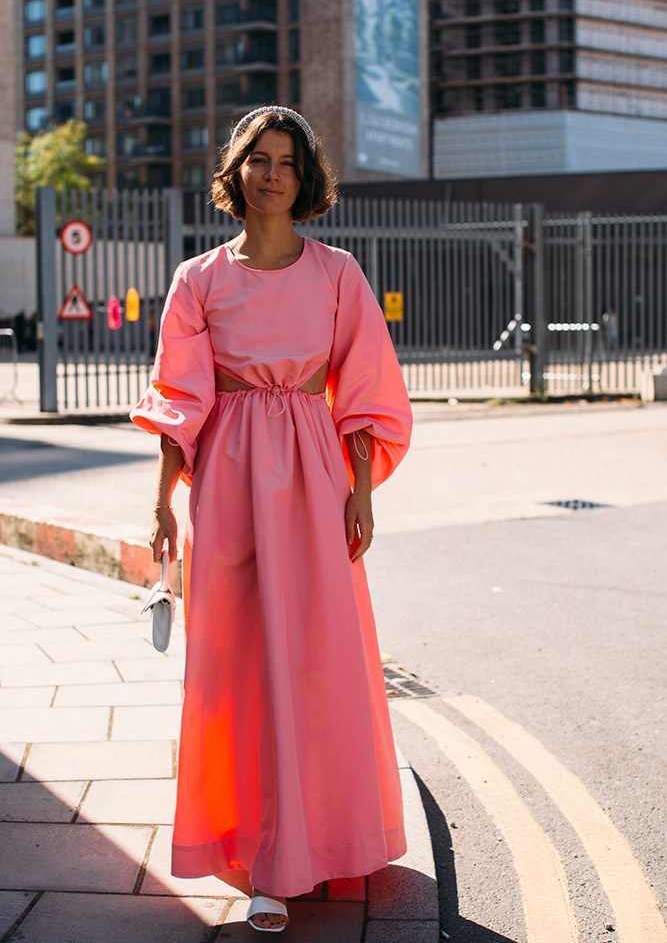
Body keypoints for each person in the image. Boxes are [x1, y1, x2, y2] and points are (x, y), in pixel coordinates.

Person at [130, 106, 412, 933]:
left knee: (319, 661)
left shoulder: (337, 273)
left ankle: (321, 840)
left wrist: (360, 489)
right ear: (238, 171)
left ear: (305, 177)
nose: (272, 173)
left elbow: (364, 391)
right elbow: (180, 402)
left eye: (288, 160)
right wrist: (161, 504)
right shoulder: (198, 280)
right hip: (227, 484)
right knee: (236, 664)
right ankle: (259, 855)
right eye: (259, 158)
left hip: (318, 479)